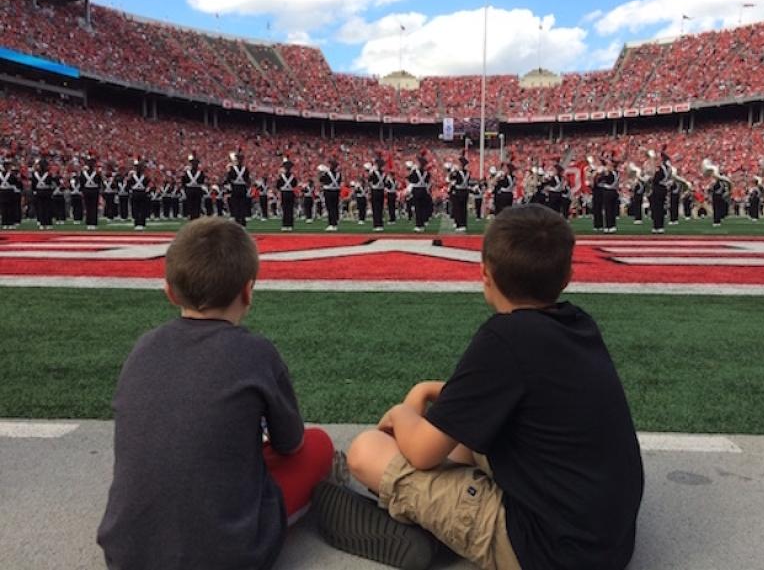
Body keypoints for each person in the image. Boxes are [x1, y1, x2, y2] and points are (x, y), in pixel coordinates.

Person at [314, 204, 644, 570]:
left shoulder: (504, 338)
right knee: (466, 437)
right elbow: (524, 394)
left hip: (546, 551)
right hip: (607, 541)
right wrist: (432, 389)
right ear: (567, 275)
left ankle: (415, 527)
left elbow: (423, 452)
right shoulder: (579, 323)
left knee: (366, 450)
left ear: (485, 273)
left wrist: (405, 409)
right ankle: (432, 518)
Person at [97, 217, 335, 570]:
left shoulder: (143, 346)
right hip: (231, 554)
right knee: (319, 446)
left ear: (170, 292)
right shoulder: (256, 352)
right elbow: (291, 443)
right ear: (248, 291)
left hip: (127, 553)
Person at [319, 160, 341, 232]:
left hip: (328, 192)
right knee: (335, 207)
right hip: (336, 192)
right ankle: (335, 223)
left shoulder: (327, 174)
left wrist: (321, 173)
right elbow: (339, 181)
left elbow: (321, 180)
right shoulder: (339, 174)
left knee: (330, 208)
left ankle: (331, 224)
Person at [277, 158, 297, 232]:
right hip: (291, 193)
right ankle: (290, 225)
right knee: (290, 209)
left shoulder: (281, 177)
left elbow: (278, 186)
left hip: (284, 193)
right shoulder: (293, 177)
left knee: (285, 209)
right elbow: (295, 184)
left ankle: (285, 225)